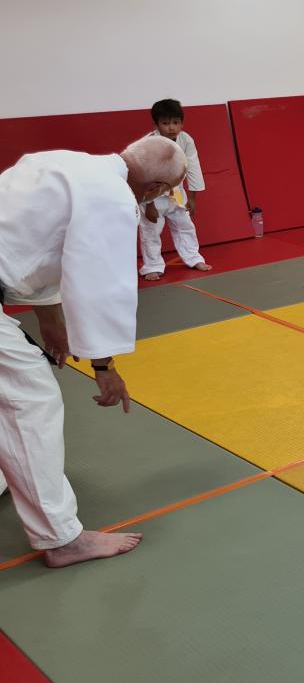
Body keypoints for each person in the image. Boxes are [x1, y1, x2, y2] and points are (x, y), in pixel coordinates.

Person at [0, 136, 186, 567]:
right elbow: (100, 282)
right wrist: (104, 366)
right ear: (156, 188)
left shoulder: (59, 161)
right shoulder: (113, 198)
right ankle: (61, 539)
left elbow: (37, 244)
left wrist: (50, 319)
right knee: (29, 398)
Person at [139, 98, 212, 280]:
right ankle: (152, 266)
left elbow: (193, 167)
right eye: (165, 123)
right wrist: (149, 204)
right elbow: (144, 175)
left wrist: (193, 198)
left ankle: (193, 257)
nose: (171, 127)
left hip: (176, 193)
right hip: (152, 195)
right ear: (156, 125)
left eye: (175, 122)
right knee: (151, 231)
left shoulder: (186, 140)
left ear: (181, 123)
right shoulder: (148, 144)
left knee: (185, 225)